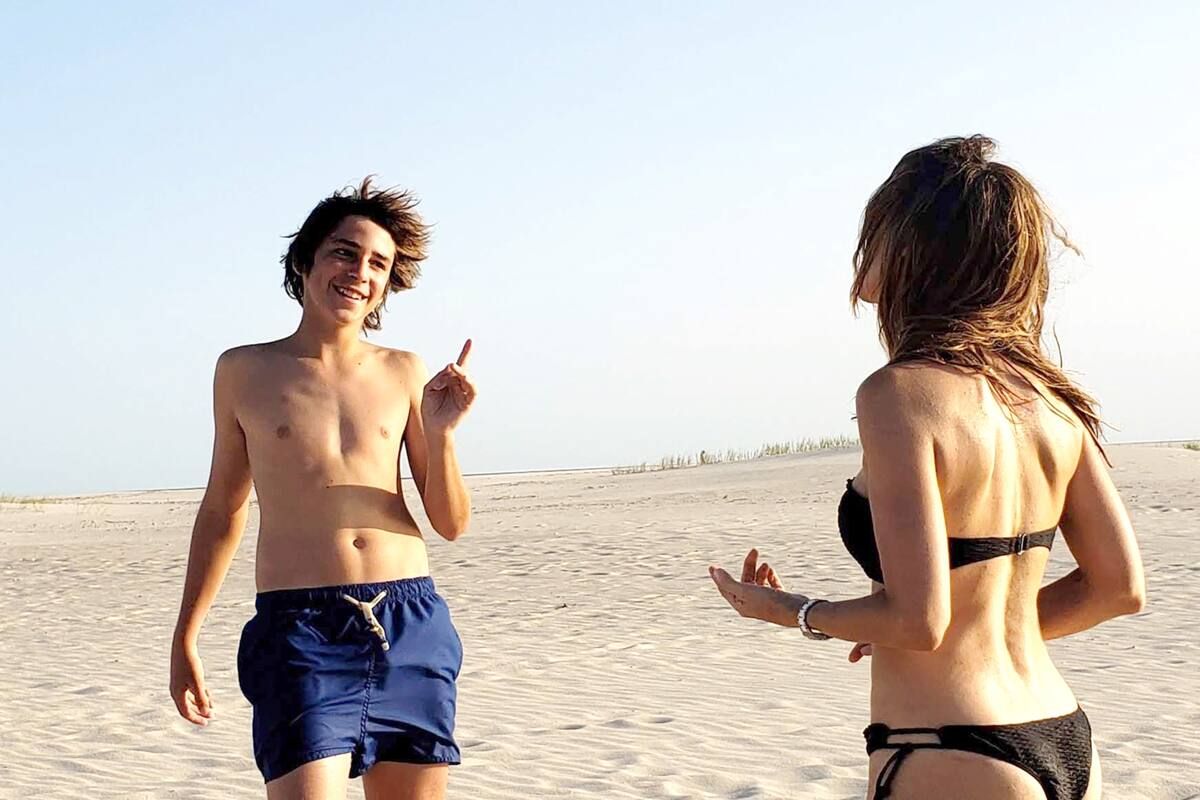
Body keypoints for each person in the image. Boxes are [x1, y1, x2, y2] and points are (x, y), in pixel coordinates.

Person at [709, 136, 1145, 800]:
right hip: (1064, 734)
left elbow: (919, 622)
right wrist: (932, 632)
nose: (864, 250)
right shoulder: (1048, 401)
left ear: (916, 248)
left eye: (878, 230)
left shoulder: (897, 396)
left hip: (950, 748)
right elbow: (1118, 587)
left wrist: (790, 610)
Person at [169, 178, 477, 799]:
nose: (359, 272)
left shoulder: (405, 371)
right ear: (306, 259)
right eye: (344, 251)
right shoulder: (244, 370)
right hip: (301, 632)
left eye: (378, 264)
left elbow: (449, 522)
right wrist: (186, 636)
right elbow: (223, 510)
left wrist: (441, 437)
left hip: (409, 621)